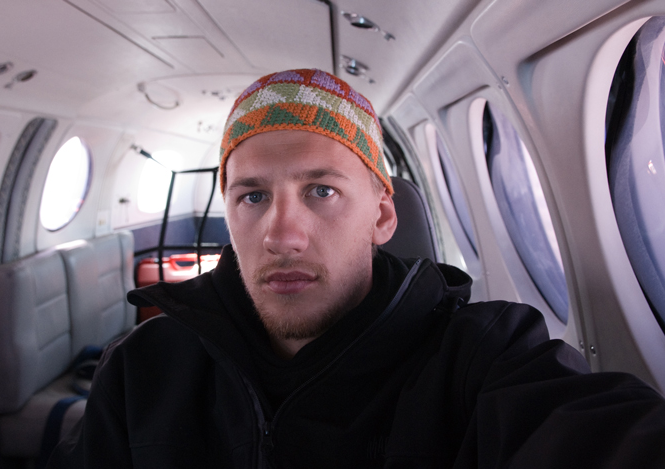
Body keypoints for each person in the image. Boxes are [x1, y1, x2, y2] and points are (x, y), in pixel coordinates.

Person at [49, 69, 665, 468]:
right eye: (253, 196)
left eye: (321, 191)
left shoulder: (481, 357)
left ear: (383, 215)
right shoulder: (141, 370)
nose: (283, 236)